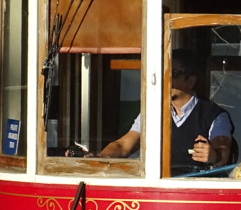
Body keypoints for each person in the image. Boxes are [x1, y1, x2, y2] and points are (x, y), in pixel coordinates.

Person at [96, 53, 234, 173]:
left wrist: (214, 156)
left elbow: (223, 152)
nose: (165, 80)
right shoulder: (153, 111)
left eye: (173, 74)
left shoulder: (215, 115)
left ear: (191, 81)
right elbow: (122, 146)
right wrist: (98, 160)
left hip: (195, 191)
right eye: (163, 73)